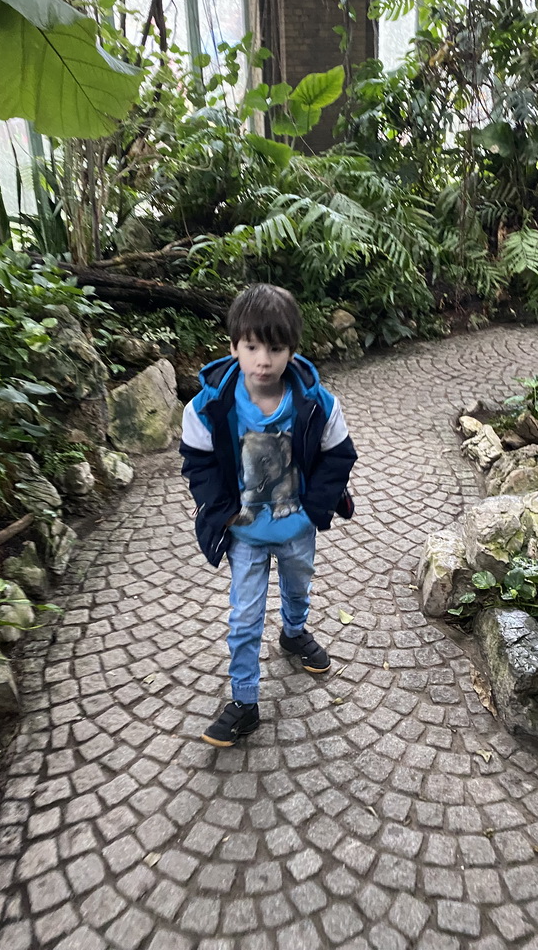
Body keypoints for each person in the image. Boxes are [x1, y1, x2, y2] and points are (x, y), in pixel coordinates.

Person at [179, 284, 357, 747]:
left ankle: (294, 633)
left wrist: (313, 512)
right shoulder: (208, 409)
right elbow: (197, 465)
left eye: (275, 348)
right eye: (252, 347)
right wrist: (221, 512)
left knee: (299, 585)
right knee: (243, 618)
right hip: (245, 535)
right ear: (234, 345)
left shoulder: (318, 405)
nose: (263, 360)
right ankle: (244, 701)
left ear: (291, 350)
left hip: (297, 528)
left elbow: (338, 456)